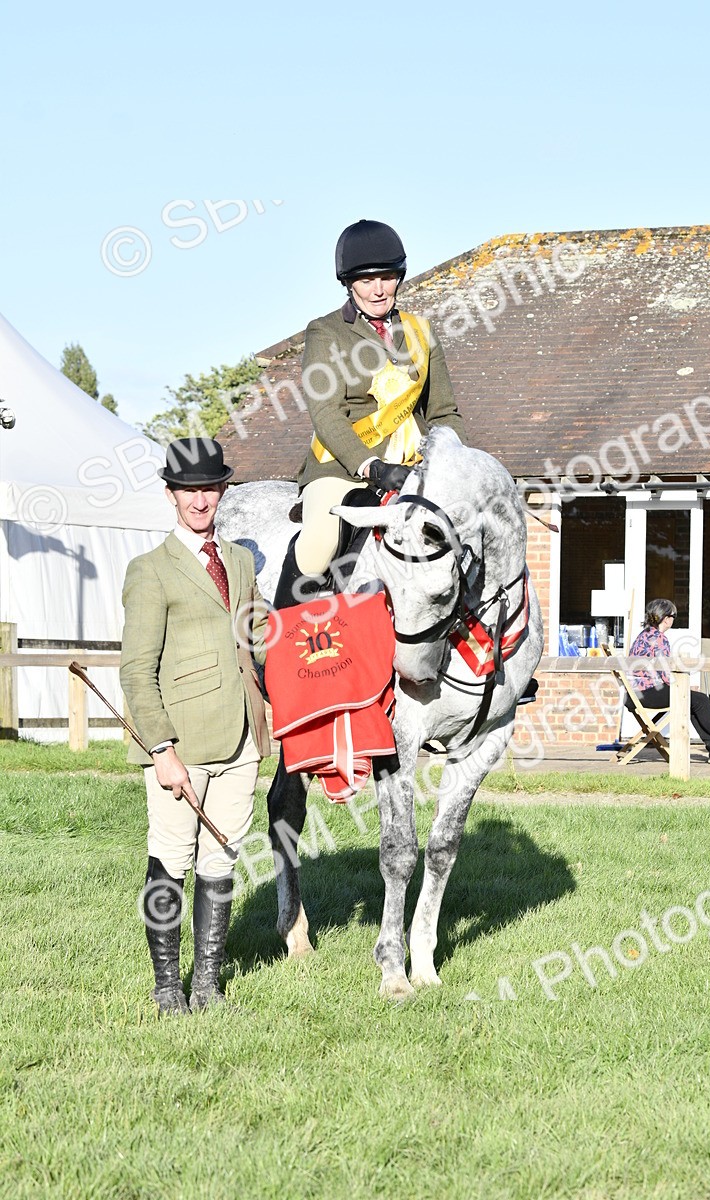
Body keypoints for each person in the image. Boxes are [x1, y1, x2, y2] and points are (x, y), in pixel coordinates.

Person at [120, 438, 270, 1016]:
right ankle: (166, 987)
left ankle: (206, 982)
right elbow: (135, 670)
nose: (200, 500)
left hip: (241, 739)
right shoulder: (150, 571)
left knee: (221, 858)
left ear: (222, 491)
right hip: (179, 743)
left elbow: (255, 638)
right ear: (171, 496)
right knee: (171, 859)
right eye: (189, 491)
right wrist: (160, 748)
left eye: (209, 488)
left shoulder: (240, 560)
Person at [273, 218, 467, 607]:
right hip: (343, 469)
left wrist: (454, 464)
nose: (378, 289)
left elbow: (443, 412)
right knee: (319, 542)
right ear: (349, 283)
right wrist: (369, 466)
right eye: (366, 281)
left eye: (387, 277)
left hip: (413, 469)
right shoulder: (325, 332)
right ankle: (279, 645)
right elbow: (325, 413)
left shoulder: (420, 332)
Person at [629, 598, 710, 763]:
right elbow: (665, 672)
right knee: (700, 699)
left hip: (636, 694)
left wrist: (683, 689)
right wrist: (682, 687)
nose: (673, 620)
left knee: (691, 700)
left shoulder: (644, 635)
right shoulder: (659, 639)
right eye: (673, 616)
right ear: (666, 618)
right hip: (646, 693)